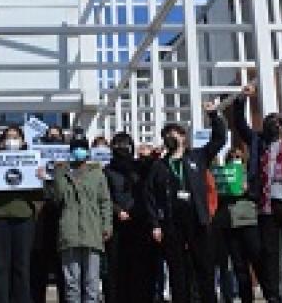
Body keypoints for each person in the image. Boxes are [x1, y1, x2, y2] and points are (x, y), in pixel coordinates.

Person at [233, 85, 282, 303]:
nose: (273, 126)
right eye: (269, 122)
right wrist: (242, 99)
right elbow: (240, 125)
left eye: (276, 122)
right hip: (267, 206)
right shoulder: (259, 142)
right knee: (269, 256)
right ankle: (274, 297)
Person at [145, 102, 226, 303]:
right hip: (172, 224)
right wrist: (155, 224)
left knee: (205, 268)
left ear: (183, 137)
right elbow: (150, 196)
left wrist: (214, 116)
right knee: (177, 271)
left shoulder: (197, 157)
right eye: (166, 134)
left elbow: (219, 140)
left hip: (197, 219)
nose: (170, 137)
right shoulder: (159, 166)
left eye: (174, 133)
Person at [50, 128, 111, 303]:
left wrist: (107, 226)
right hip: (69, 234)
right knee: (72, 284)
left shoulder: (97, 173)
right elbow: (58, 198)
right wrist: (59, 174)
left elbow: (104, 201)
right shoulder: (63, 172)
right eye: (76, 147)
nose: (79, 151)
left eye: (82, 147)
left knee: (92, 283)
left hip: (92, 232)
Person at [0, 125, 39, 303]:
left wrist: (41, 178)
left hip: (23, 219)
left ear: (22, 142)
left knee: (22, 267)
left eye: (16, 137)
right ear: (2, 142)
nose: (12, 141)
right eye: (8, 137)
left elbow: (39, 195)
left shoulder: (31, 162)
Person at [103, 133, 157, 303]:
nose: (122, 149)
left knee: (140, 268)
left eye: (126, 145)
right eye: (118, 145)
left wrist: (151, 156)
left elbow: (152, 181)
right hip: (117, 225)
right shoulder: (107, 170)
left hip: (140, 224)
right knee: (116, 269)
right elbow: (104, 196)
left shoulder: (139, 166)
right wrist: (117, 210)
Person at [212, 148, 267, 303]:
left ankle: (270, 295)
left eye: (238, 157)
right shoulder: (222, 175)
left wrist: (247, 190)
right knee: (239, 266)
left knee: (257, 261)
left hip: (248, 221)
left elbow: (259, 195)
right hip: (229, 223)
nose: (235, 159)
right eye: (231, 157)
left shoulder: (249, 175)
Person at [31, 125, 65, 303]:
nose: (53, 138)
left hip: (62, 219)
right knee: (39, 268)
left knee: (62, 270)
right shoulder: (36, 160)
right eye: (50, 136)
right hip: (40, 220)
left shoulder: (67, 164)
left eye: (56, 136)